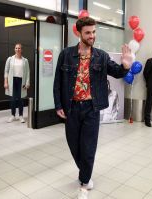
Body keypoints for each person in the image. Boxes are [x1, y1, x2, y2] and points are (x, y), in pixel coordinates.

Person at [53, 17, 132, 199]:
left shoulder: (101, 56)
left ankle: (84, 183)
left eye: (94, 32)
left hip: (91, 108)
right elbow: (58, 82)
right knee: (74, 146)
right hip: (71, 107)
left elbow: (117, 72)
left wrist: (125, 65)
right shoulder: (66, 54)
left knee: (88, 147)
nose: (92, 36)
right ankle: (85, 172)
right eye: (88, 32)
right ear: (79, 33)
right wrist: (58, 105)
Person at [4, 43, 30, 123]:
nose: (17, 49)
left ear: (21, 50)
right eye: (16, 48)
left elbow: (28, 72)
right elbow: (6, 71)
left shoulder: (25, 60)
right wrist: (6, 82)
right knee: (12, 99)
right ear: (14, 49)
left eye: (19, 48)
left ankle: (21, 116)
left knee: (20, 99)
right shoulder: (10, 59)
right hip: (12, 81)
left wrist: (27, 82)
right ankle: (12, 115)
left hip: (21, 81)